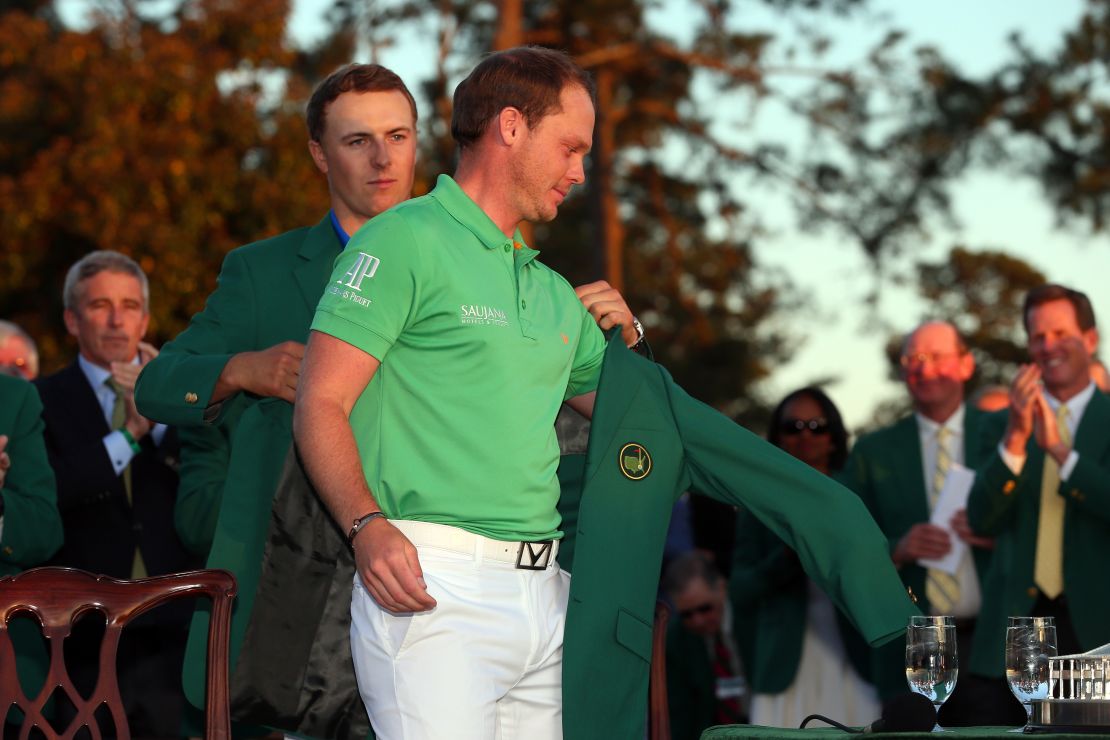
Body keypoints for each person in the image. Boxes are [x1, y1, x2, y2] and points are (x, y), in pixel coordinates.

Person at [293, 46, 919, 740]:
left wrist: (841, 531)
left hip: (548, 595)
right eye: (570, 147)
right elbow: (320, 403)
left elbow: (663, 425)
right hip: (433, 591)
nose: (579, 171)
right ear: (509, 127)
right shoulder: (401, 240)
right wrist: (365, 526)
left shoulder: (554, 294)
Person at [134, 61, 641, 734]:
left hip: (452, 580)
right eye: (356, 141)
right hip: (302, 587)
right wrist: (244, 369)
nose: (383, 158)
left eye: (399, 136)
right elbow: (156, 384)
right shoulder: (262, 273)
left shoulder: (493, 266)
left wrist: (617, 338)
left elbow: (579, 417)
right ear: (319, 152)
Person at [34, 250, 191, 737]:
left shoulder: (183, 401)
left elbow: (201, 477)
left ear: (146, 318)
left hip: (172, 625)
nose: (118, 319)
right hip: (79, 632)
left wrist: (160, 414)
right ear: (71, 320)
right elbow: (54, 489)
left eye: (129, 305)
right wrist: (127, 437)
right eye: (101, 304)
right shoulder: (40, 400)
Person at [839, 321, 1000, 725]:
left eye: (935, 357)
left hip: (996, 649)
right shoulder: (873, 450)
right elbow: (846, 540)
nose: (923, 369)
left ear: (965, 365)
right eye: (913, 359)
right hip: (913, 654)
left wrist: (999, 534)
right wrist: (896, 547)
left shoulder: (1006, 435)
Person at [968, 284, 1110, 676]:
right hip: (1012, 636)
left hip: (1098, 637)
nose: (1048, 346)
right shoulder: (999, 424)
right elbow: (981, 519)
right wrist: (1015, 438)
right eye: (1038, 337)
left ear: (1091, 339)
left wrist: (1059, 452)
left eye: (1061, 333)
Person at [732, 387, 878, 729]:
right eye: (793, 427)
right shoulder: (758, 500)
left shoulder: (855, 497)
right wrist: (786, 559)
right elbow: (739, 589)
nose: (805, 436)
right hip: (785, 659)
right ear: (778, 436)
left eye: (816, 426)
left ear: (834, 437)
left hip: (853, 656)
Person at [663, 551, 747, 740]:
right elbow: (680, 713)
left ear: (722, 587)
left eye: (705, 608)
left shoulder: (752, 613)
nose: (698, 620)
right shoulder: (676, 641)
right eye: (687, 614)